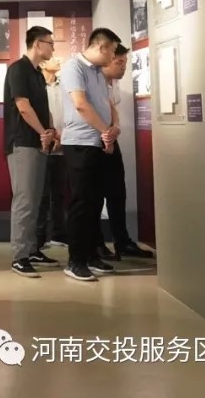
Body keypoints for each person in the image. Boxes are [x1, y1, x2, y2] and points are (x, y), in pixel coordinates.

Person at [60, 27, 121, 282]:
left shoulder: (98, 73)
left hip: (97, 142)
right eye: (113, 51)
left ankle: (91, 255)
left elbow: (106, 104)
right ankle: (75, 261)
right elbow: (80, 104)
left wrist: (112, 131)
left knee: (95, 201)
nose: (113, 57)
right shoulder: (74, 67)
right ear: (101, 47)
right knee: (82, 202)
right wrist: (106, 131)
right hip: (79, 144)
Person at [4, 26, 60, 278]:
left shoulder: (37, 73)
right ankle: (19, 257)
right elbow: (23, 106)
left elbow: (42, 108)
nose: (53, 48)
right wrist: (42, 132)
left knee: (36, 200)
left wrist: (50, 130)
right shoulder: (18, 69)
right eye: (50, 43)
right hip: (23, 143)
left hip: (39, 142)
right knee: (24, 200)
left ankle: (31, 249)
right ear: (38, 44)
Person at [99, 45, 153, 260]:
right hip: (95, 140)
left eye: (125, 63)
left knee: (117, 191)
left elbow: (113, 109)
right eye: (119, 62)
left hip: (112, 137)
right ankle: (96, 244)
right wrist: (106, 134)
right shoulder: (94, 82)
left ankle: (122, 241)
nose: (123, 68)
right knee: (94, 194)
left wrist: (115, 128)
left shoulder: (113, 84)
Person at [37, 54, 68, 251]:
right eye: (53, 56)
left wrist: (63, 137)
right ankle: (39, 238)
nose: (58, 59)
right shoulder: (38, 86)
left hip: (64, 143)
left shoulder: (65, 85)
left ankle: (59, 234)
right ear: (42, 63)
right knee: (41, 194)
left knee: (59, 193)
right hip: (44, 143)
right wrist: (51, 135)